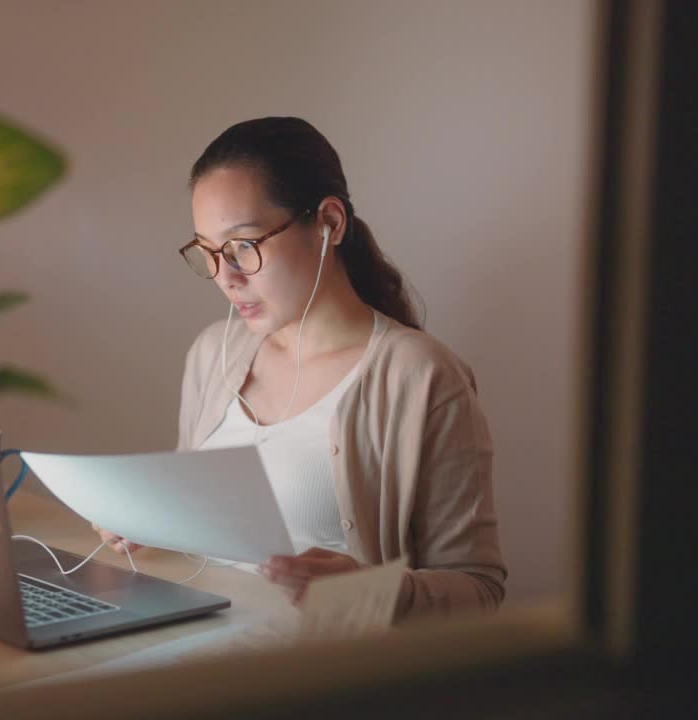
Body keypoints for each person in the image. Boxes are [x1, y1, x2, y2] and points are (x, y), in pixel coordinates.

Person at [96, 117, 506, 620]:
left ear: (329, 222)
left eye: (243, 245)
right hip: (198, 657)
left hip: (322, 678)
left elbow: (480, 590)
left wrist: (372, 590)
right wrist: (150, 522)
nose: (224, 277)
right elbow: (200, 547)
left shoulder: (420, 376)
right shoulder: (212, 354)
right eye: (207, 253)